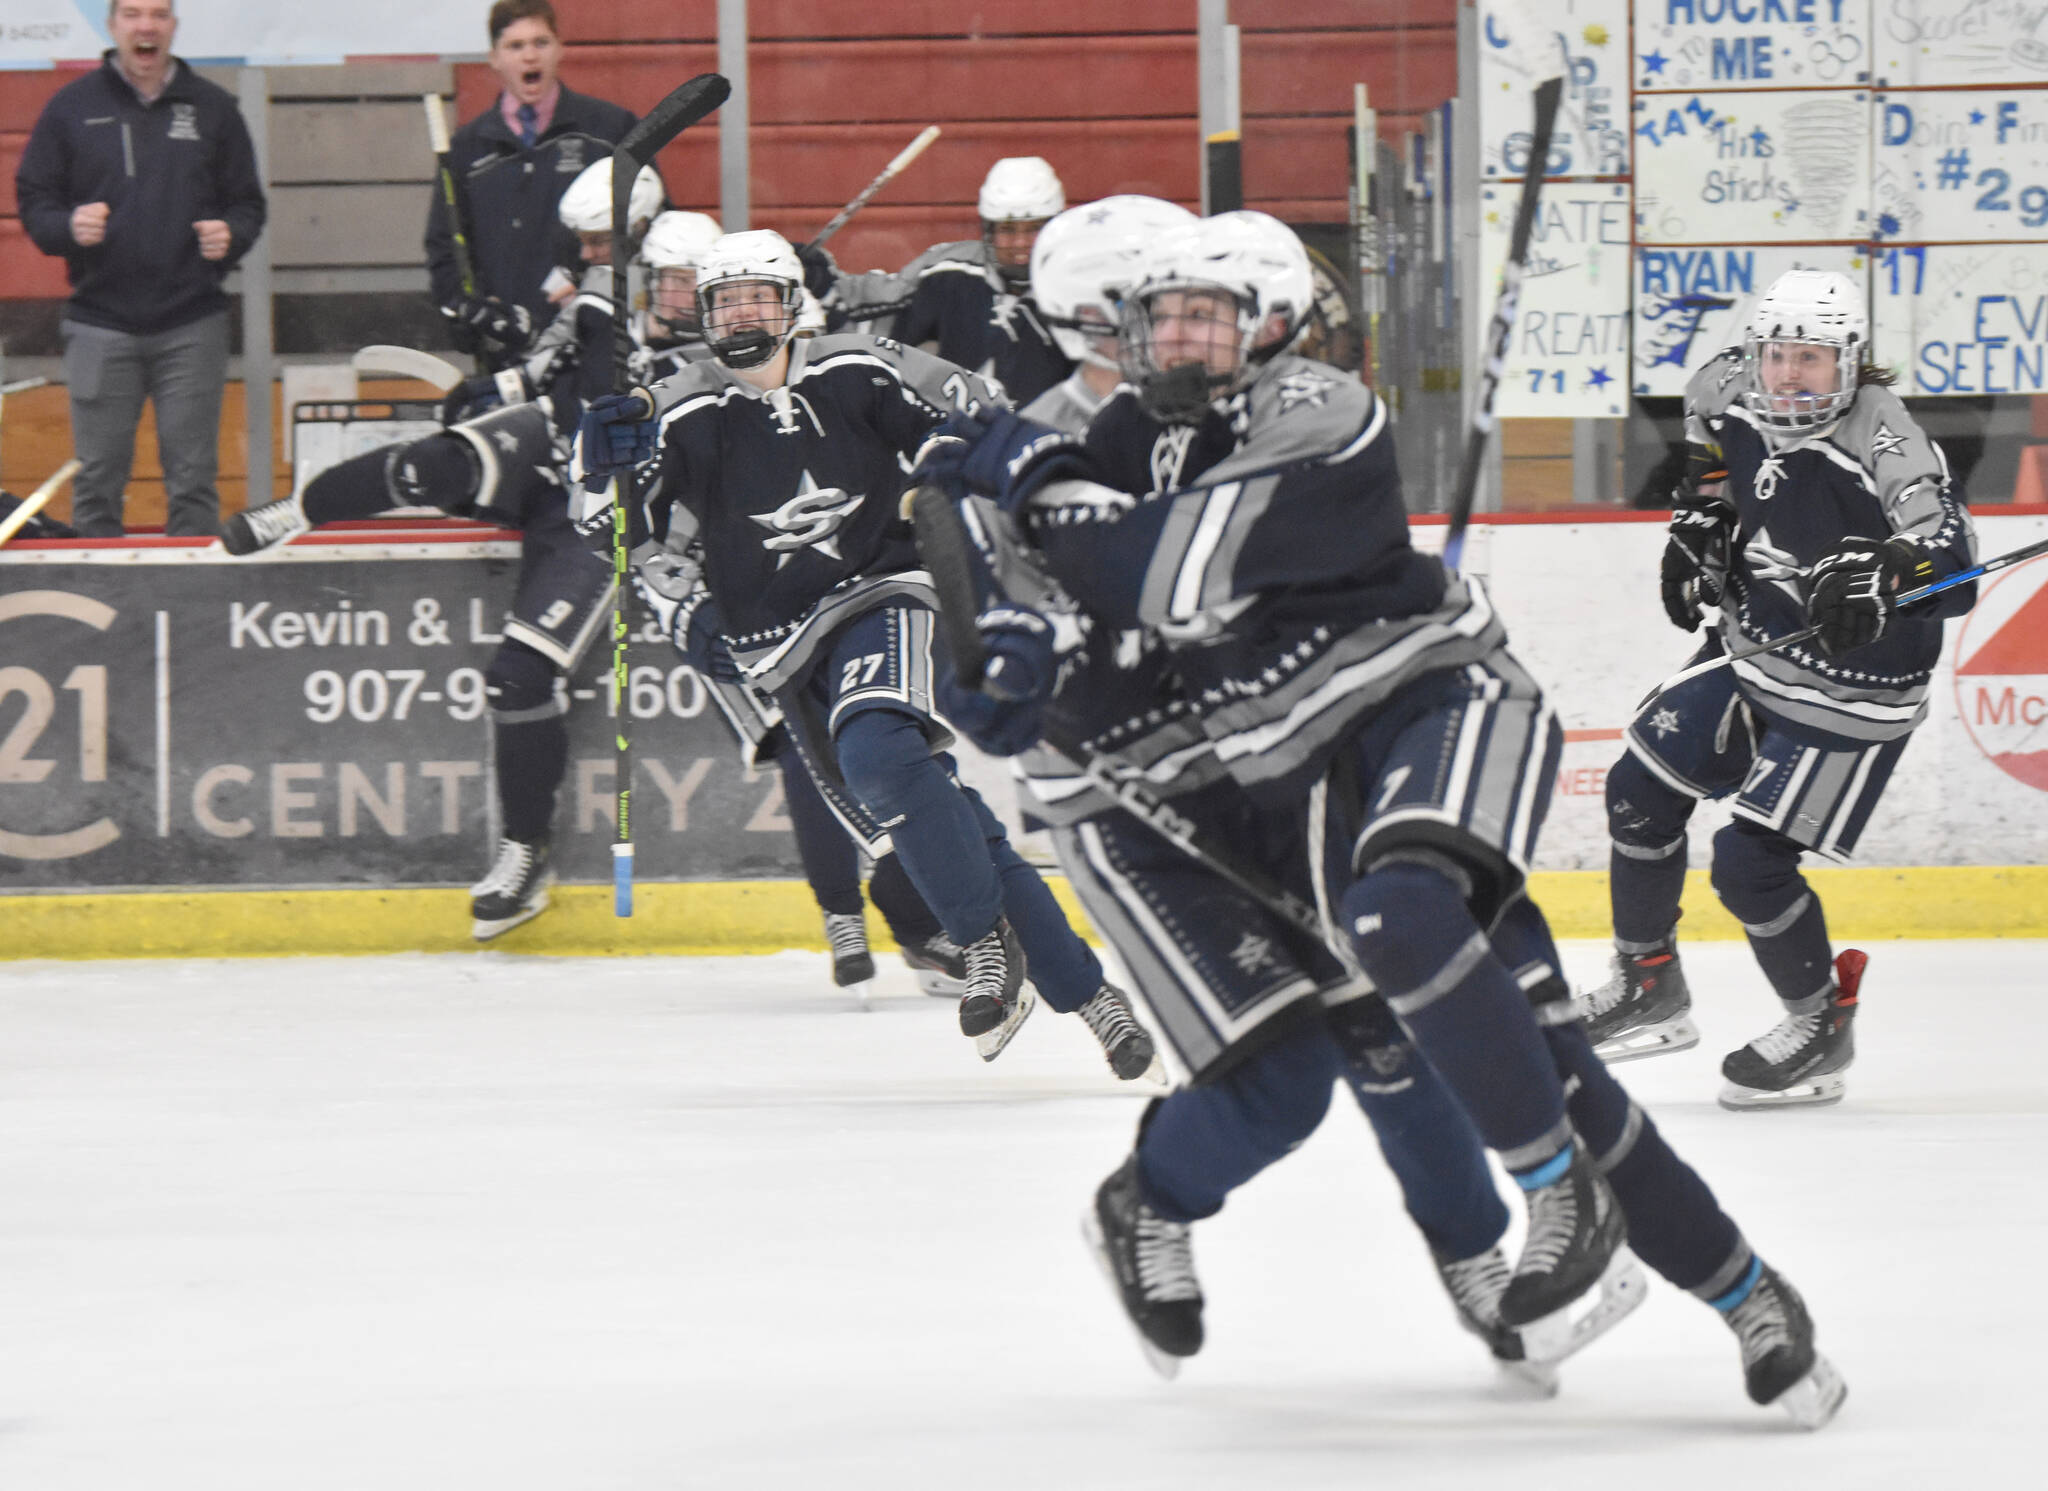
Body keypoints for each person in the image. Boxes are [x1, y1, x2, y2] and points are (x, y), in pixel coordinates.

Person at [917, 211, 1847, 1426]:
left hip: (1385, 730)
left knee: (1452, 996)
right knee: (1335, 1056)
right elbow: (1027, 618)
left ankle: (1680, 1267)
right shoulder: (1059, 440)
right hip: (1217, 788)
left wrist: (1024, 490)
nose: (1152, 346)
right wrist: (1004, 662)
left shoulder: (1285, 411)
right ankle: (1653, 1271)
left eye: (1194, 314)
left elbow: (1167, 578)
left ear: (1258, 325)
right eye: (1133, 322)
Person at [573, 228, 1154, 1075]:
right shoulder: (677, 403)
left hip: (881, 590)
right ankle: (1094, 997)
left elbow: (970, 408)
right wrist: (604, 462)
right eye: (721, 301)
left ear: (790, 305)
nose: (739, 315)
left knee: (881, 754)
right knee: (946, 824)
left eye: (755, 298)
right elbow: (615, 534)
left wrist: (942, 470)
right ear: (700, 313)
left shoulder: (856, 362)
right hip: (776, 644)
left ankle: (980, 943)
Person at [224, 158, 661, 940]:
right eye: (585, 240)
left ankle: (525, 854)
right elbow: (539, 369)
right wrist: (492, 382)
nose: (591, 253)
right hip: (551, 450)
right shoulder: (588, 293)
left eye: (604, 241)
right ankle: (300, 508)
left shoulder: (699, 294)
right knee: (431, 461)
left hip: (610, 503)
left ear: (642, 232)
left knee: (519, 678)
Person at [1584, 269, 1977, 1110]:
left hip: (1859, 686)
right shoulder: (1724, 382)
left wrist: (1886, 570)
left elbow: (1953, 561)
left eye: (1813, 358)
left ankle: (1818, 1025)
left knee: (1749, 864)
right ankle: (1647, 979)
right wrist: (1704, 522)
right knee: (1637, 789)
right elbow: (1713, 461)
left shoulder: (1891, 437)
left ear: (1852, 362)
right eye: (1779, 356)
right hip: (1754, 638)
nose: (1791, 375)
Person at [13, 0, 266, 538]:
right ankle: (97, 612)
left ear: (173, 26)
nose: (145, 25)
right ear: (112, 27)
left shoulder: (213, 108)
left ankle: (195, 613)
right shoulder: (70, 107)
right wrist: (67, 227)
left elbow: (248, 204)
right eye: (132, 13)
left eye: (158, 13)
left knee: (194, 481)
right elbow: (35, 201)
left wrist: (232, 235)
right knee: (97, 481)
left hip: (192, 324)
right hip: (99, 324)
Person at [425, 0, 635, 369]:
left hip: (593, 350)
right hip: (505, 356)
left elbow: (648, 225)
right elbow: (444, 248)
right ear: (494, 58)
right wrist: (464, 314)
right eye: (515, 46)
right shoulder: (467, 148)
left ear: (559, 49)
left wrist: (606, 289)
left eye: (541, 43)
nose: (530, 57)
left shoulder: (609, 131)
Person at [820, 157, 1074, 407]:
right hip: (961, 438)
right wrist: (821, 282)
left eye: (1033, 229)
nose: (1020, 243)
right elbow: (873, 305)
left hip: (1055, 440)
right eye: (1007, 230)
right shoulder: (949, 271)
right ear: (987, 231)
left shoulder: (1079, 284)